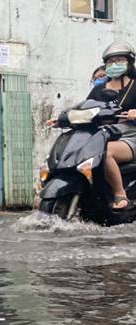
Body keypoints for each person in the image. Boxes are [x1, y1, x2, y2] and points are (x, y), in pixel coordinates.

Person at [48, 42, 136, 210]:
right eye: (110, 61)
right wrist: (62, 120)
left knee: (105, 152)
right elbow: (86, 109)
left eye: (119, 60)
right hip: (103, 134)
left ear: (129, 63)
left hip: (131, 135)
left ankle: (119, 194)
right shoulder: (100, 89)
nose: (114, 64)